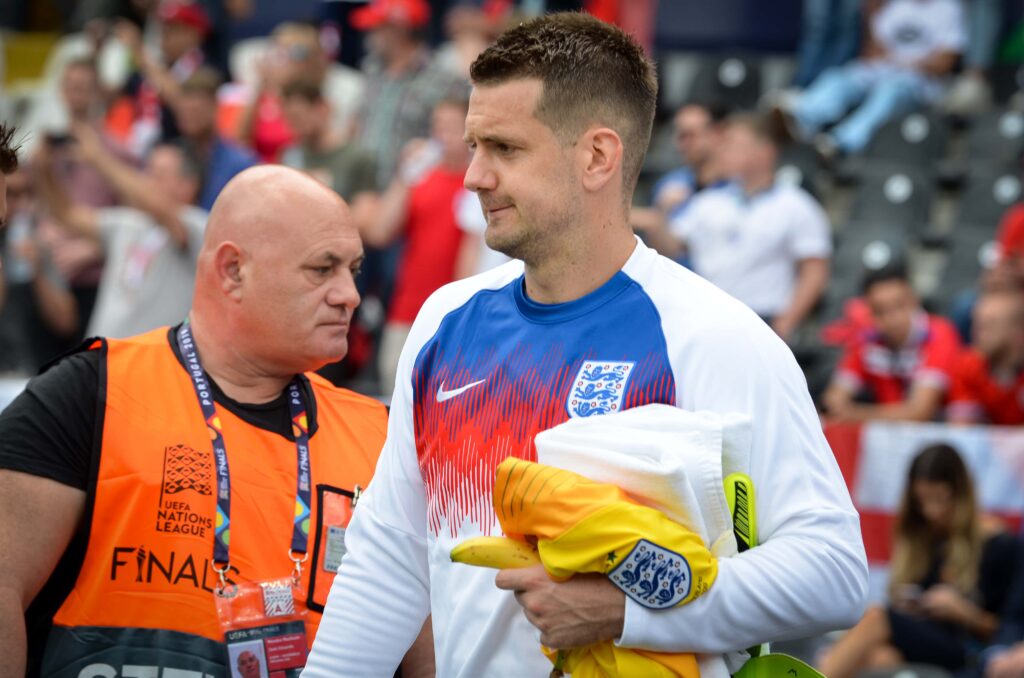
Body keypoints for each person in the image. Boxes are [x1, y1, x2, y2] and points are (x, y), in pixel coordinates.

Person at [303, 13, 868, 676]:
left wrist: (634, 613)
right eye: (473, 146)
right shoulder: (443, 321)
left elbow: (833, 571)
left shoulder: (713, 336)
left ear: (598, 156)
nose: (473, 177)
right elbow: (390, 558)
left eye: (505, 149)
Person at [0, 166, 392, 676]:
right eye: (323, 269)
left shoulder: (378, 433)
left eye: (354, 270)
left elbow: (424, 647)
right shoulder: (91, 392)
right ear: (233, 270)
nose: (349, 295)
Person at [819, 443, 1019, 678]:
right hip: (924, 641)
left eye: (941, 499)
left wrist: (964, 613)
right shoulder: (923, 538)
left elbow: (1010, 633)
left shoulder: (999, 545)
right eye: (923, 501)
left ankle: (814, 672)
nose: (932, 511)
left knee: (876, 617)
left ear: (961, 494)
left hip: (970, 649)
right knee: (881, 658)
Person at [652, 112, 832, 340]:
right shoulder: (708, 201)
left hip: (763, 319)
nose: (723, 150)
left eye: (734, 144)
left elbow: (815, 269)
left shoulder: (796, 205)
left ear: (765, 151)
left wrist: (785, 324)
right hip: (706, 317)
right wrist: (660, 214)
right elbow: (671, 248)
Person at [37, 125, 207, 338]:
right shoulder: (130, 222)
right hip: (100, 360)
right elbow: (67, 213)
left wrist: (99, 159)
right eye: (148, 171)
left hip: (151, 366)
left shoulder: (196, 225)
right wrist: (43, 170)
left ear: (188, 185)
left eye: (159, 174)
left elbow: (160, 207)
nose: (146, 180)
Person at [360, 97, 471, 390]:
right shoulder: (421, 178)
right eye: (438, 127)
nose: (443, 135)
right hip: (407, 311)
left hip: (454, 317)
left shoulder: (478, 183)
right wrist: (405, 174)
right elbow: (380, 232)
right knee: (393, 396)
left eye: (451, 127)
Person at [779, 0, 966, 158]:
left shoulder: (949, 7)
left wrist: (907, 63)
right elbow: (873, 48)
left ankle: (839, 144)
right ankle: (799, 117)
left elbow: (946, 61)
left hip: (919, 80)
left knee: (890, 91)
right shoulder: (897, 3)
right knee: (842, 77)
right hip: (884, 69)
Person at [35, 58, 133, 335]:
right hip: (54, 277)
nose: (75, 95)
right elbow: (35, 207)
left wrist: (94, 248)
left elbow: (137, 221)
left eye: (82, 88)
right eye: (69, 87)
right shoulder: (47, 148)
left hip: (98, 280)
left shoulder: (117, 152)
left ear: (97, 93)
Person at [350, 0, 467, 187]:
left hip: (413, 192)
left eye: (378, 28)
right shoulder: (371, 69)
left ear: (399, 30)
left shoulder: (445, 80)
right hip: (364, 190)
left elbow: (465, 138)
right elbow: (357, 125)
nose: (370, 34)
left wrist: (431, 150)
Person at [825, 263, 962, 422]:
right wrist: (839, 407)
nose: (892, 319)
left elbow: (920, 412)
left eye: (899, 306)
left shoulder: (939, 333)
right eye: (880, 311)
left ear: (914, 299)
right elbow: (833, 400)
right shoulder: (867, 339)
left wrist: (854, 414)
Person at [237, 22, 364, 163]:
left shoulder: (323, 99)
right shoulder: (264, 95)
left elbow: (336, 146)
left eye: (291, 53)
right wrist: (260, 88)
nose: (282, 61)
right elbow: (239, 141)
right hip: (264, 172)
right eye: (278, 53)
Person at [0, 166, 79, 374]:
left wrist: (37, 271)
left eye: (28, 193)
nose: (21, 203)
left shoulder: (40, 243)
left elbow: (66, 322)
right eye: (11, 194)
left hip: (37, 373)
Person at [113, 1, 212, 155]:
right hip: (146, 148)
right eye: (164, 30)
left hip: (184, 152)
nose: (165, 37)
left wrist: (139, 51)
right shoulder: (163, 67)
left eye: (174, 30)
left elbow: (181, 103)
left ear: (194, 33)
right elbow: (113, 97)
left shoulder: (205, 66)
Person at [631, 99, 729, 246]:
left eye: (691, 135)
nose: (683, 143)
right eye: (680, 135)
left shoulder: (739, 186)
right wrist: (661, 212)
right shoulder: (669, 183)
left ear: (716, 134)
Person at [279, 79, 378, 209]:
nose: (296, 127)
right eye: (290, 120)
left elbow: (367, 216)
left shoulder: (358, 158)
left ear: (323, 108)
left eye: (299, 117)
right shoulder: (290, 155)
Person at [174, 66, 257, 210]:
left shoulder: (239, 163)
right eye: (184, 112)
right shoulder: (175, 157)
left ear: (214, 107)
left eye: (196, 111)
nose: (189, 119)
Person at [947, 289, 1024, 426]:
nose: (976, 333)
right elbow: (963, 431)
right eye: (976, 323)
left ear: (1018, 331)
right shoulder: (967, 365)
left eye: (988, 325)